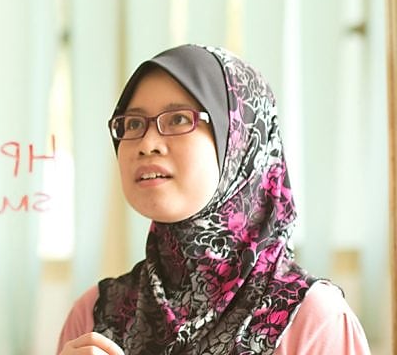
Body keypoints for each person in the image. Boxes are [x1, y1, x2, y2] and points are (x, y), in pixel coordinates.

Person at [57, 44, 371, 355]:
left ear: (240, 142)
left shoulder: (314, 321)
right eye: (134, 124)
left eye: (178, 119)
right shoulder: (93, 318)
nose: (147, 143)